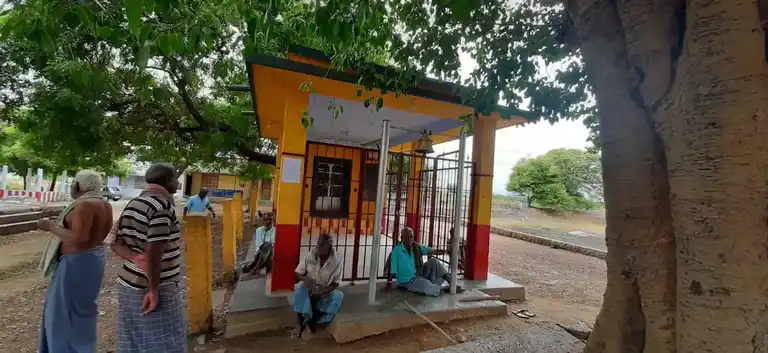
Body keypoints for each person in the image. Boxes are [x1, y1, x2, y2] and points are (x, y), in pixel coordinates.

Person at [109, 163, 187, 353]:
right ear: (167, 181)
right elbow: (154, 249)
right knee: (165, 340)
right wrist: (153, 289)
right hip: (155, 285)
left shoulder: (134, 203)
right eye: (175, 179)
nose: (177, 183)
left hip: (128, 283)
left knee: (132, 338)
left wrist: (135, 257)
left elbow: (113, 241)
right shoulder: (162, 206)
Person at [37, 170, 113, 353]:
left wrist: (50, 226)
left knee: (63, 314)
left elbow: (79, 239)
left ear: (78, 186)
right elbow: (100, 237)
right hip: (93, 260)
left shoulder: (83, 205)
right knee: (83, 310)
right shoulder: (105, 205)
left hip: (76, 263)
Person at [292, 233, 344, 340]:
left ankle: (315, 320)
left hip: (324, 290)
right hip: (309, 289)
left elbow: (336, 282)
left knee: (338, 296)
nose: (318, 248)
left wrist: (323, 291)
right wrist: (305, 278)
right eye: (318, 244)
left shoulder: (337, 260)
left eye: (321, 245)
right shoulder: (310, 255)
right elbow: (297, 273)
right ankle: (303, 320)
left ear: (329, 247)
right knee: (299, 287)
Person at [387, 227, 463, 296]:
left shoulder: (416, 247)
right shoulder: (397, 251)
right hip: (407, 281)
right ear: (402, 238)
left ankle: (452, 283)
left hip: (419, 275)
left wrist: (446, 251)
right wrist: (389, 285)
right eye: (407, 237)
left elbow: (432, 251)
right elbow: (392, 271)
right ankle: (443, 289)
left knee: (434, 261)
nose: (410, 239)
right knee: (424, 284)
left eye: (411, 237)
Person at [243, 212, 276, 277]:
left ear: (273, 221)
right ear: (263, 221)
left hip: (270, 257)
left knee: (267, 245)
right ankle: (262, 267)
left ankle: (255, 269)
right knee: (244, 269)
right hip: (259, 255)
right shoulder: (259, 230)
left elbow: (272, 245)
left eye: (270, 219)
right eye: (265, 220)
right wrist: (256, 256)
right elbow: (259, 245)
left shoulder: (275, 231)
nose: (268, 222)